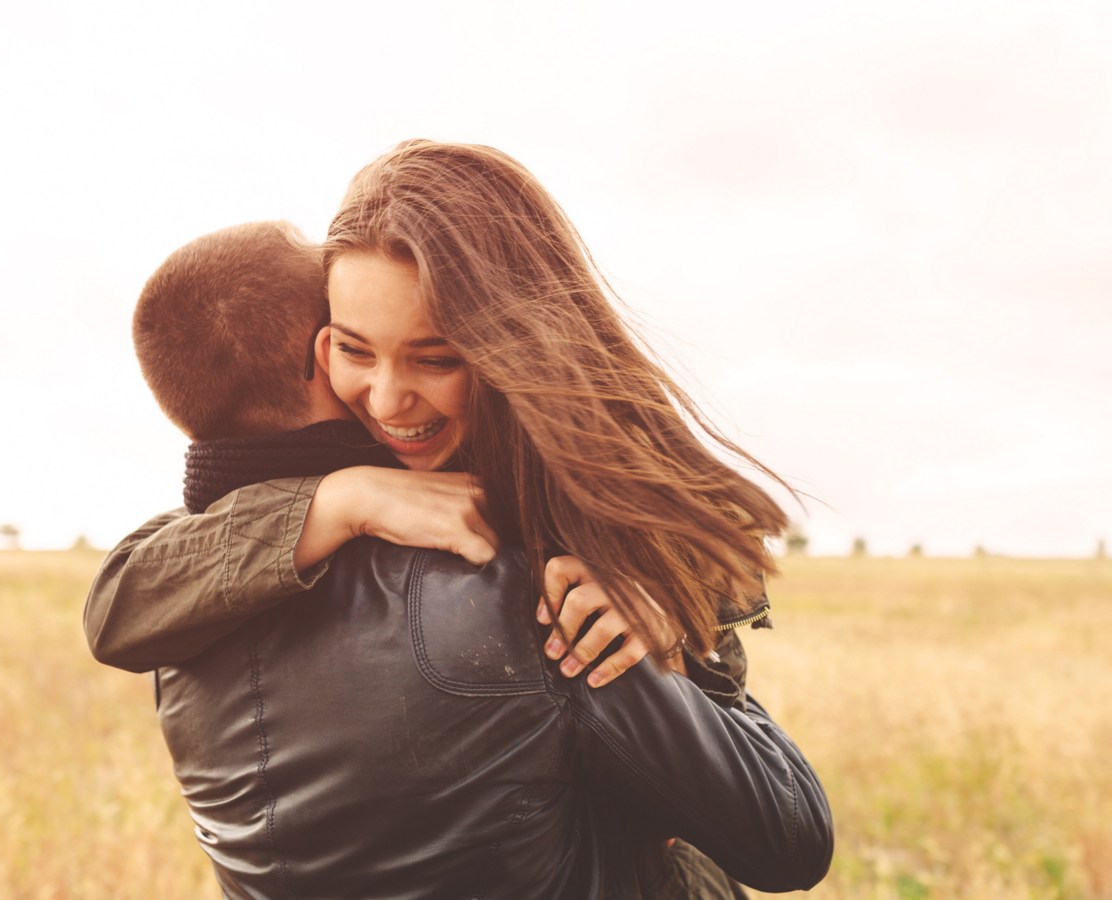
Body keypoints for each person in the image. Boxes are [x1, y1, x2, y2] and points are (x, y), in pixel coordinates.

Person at [86, 142, 833, 896]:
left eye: (435, 359)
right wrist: (343, 500)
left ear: (518, 345)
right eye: (354, 349)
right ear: (319, 347)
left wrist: (671, 621)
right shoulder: (498, 584)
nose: (385, 401)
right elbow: (117, 602)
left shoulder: (567, 530)